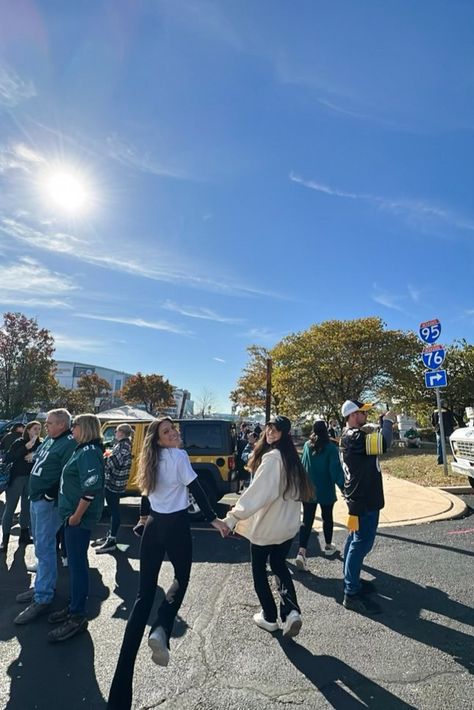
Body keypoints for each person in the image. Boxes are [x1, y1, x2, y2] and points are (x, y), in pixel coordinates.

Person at [107, 417, 228, 710]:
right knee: (181, 579)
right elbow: (197, 489)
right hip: (175, 527)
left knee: (143, 596)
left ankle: (118, 699)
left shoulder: (150, 458)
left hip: (152, 528)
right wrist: (214, 519)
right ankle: (161, 626)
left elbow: (146, 496)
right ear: (159, 439)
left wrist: (142, 519)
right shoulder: (178, 456)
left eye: (173, 429)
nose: (174, 433)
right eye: (167, 431)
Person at [223, 415, 313, 638]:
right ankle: (291, 611)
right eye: (269, 428)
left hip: (267, 528)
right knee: (279, 565)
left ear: (284, 434)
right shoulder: (292, 459)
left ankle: (270, 616)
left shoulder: (273, 458)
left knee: (259, 571)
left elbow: (257, 494)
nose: (271, 432)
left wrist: (233, 516)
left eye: (276, 430)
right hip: (287, 527)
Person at [14, 409, 76, 625]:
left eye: (49, 423)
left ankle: (43, 597)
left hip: (47, 503)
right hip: (36, 498)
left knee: (45, 546)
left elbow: (69, 472)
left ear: (61, 424)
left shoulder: (68, 442)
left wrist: (50, 492)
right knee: (40, 543)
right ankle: (41, 586)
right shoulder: (51, 440)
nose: (45, 426)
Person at [48, 414, 105, 642]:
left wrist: (75, 517)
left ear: (86, 428)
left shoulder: (90, 452)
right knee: (76, 564)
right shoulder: (83, 449)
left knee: (78, 566)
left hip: (78, 520)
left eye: (75, 425)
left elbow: (91, 488)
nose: (72, 429)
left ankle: (77, 615)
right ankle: (73, 606)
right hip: (72, 517)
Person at [340, 400, 395, 615]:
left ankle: (350, 581)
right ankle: (351, 592)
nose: (365, 415)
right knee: (361, 543)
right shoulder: (355, 437)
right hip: (364, 499)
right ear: (353, 415)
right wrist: (388, 422)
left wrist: (381, 423)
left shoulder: (351, 436)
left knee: (354, 539)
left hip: (359, 497)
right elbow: (383, 443)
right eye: (363, 412)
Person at [295, 420, 344, 570]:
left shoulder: (306, 446)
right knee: (327, 517)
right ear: (326, 431)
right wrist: (344, 487)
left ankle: (302, 551)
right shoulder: (331, 448)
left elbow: (303, 465)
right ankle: (328, 546)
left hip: (309, 489)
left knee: (307, 520)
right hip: (326, 489)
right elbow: (335, 471)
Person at [0, 421, 42, 551]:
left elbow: (44, 457)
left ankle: (24, 535)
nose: (37, 431)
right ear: (28, 430)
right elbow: (9, 458)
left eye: (39, 429)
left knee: (26, 507)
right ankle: (5, 539)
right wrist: (26, 447)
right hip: (16, 478)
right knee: (10, 508)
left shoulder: (40, 444)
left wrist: (35, 455)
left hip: (31, 479)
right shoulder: (19, 442)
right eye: (35, 429)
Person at [95, 424, 133, 554]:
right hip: (114, 481)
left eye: (116, 431)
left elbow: (115, 462)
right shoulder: (122, 444)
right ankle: (110, 534)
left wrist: (104, 458)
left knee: (114, 510)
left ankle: (112, 539)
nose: (115, 433)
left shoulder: (124, 445)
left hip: (115, 482)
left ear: (121, 433)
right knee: (113, 510)